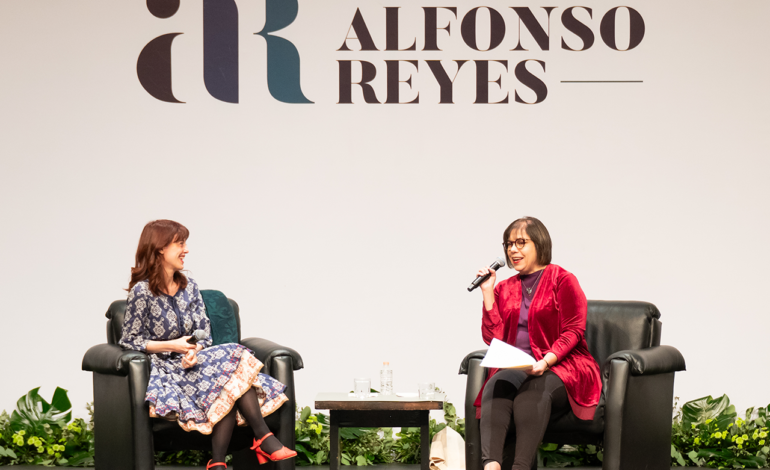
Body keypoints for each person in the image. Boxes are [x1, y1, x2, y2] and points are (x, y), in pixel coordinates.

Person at [119, 219, 296, 470]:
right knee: (234, 369)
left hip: (195, 363)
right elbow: (130, 340)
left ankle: (220, 462)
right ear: (159, 248)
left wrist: (193, 350)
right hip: (167, 370)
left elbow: (204, 333)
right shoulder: (142, 292)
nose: (186, 250)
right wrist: (174, 346)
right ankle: (261, 439)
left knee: (232, 372)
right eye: (179, 243)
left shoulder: (189, 286)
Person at [474, 217, 601, 470]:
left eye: (521, 242)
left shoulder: (563, 279)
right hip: (518, 365)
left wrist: (545, 360)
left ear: (539, 243)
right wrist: (488, 292)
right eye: (509, 244)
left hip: (562, 365)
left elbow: (574, 331)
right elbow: (493, 338)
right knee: (495, 386)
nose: (512, 250)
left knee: (531, 395)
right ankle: (491, 466)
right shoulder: (505, 288)